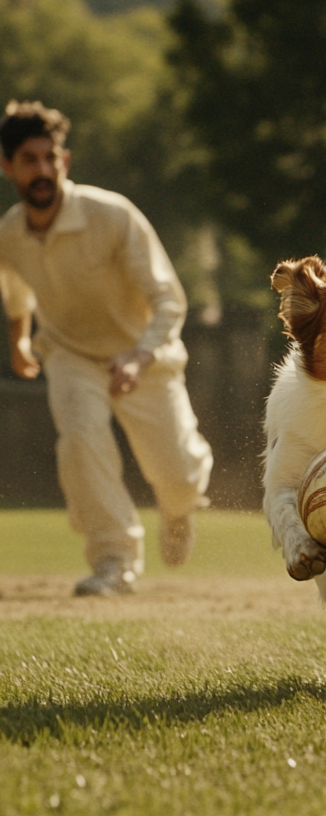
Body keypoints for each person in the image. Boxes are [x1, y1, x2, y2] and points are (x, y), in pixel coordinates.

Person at [0, 100, 212, 596]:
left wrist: (139, 355)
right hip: (71, 356)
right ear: (7, 166)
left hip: (145, 355)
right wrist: (20, 341)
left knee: (177, 475)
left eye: (50, 157)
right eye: (29, 159)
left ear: (65, 161)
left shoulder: (111, 215)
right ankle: (114, 560)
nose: (42, 169)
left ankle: (179, 510)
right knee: (80, 439)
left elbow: (169, 300)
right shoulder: (9, 233)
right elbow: (14, 290)